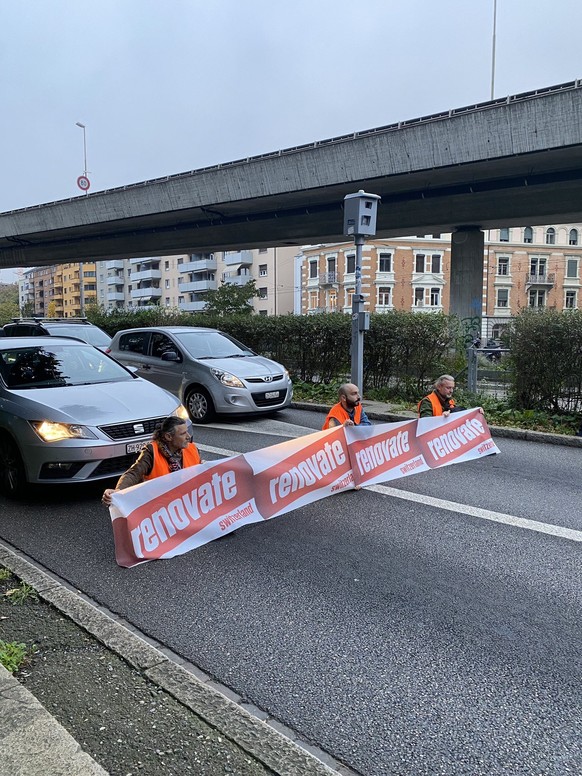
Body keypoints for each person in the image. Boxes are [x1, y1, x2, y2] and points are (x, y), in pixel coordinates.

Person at [102, 416, 201, 506]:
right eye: (183, 434)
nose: (188, 436)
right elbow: (134, 473)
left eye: (187, 431)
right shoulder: (151, 452)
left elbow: (202, 472)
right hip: (158, 509)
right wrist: (118, 491)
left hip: (187, 505)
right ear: (168, 437)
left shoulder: (192, 449)